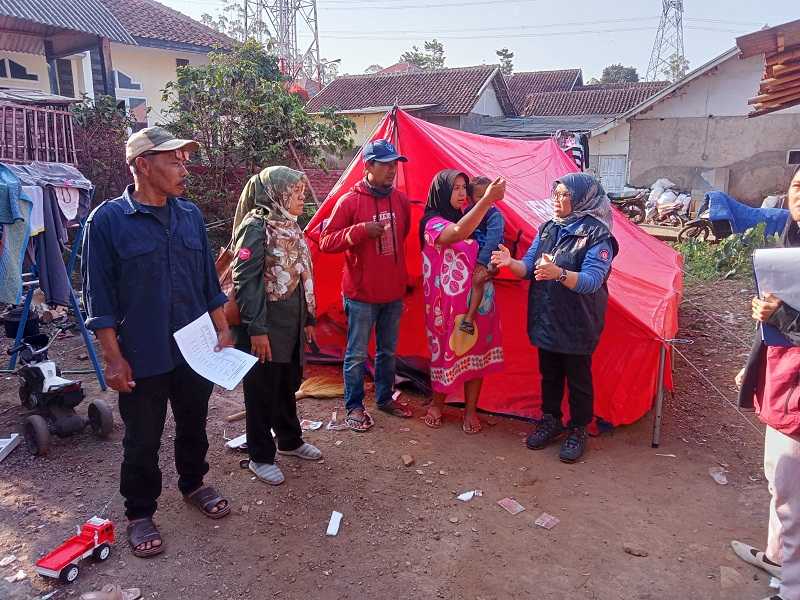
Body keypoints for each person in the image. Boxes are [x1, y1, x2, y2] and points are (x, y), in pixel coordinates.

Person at [82, 127, 232, 559]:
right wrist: (113, 359)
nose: (184, 168)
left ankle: (194, 483)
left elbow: (207, 281)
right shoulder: (108, 221)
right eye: (174, 161)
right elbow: (101, 299)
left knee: (193, 422)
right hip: (142, 351)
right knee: (143, 438)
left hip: (195, 347)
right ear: (143, 166)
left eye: (184, 160)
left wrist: (221, 327)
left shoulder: (189, 215)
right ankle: (140, 510)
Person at [492, 172, 618, 462]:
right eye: (556, 194)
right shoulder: (548, 228)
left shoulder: (598, 236)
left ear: (583, 199)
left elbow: (591, 281)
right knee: (549, 374)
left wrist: (559, 273)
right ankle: (551, 420)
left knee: (578, 379)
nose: (558, 201)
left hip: (577, 320)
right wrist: (510, 263)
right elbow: (527, 268)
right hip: (546, 314)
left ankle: (578, 429)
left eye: (565, 196)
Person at [731, 165, 800, 600]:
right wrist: (752, 360)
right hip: (782, 376)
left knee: (792, 491)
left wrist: (781, 315)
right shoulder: (790, 245)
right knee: (780, 479)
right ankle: (778, 558)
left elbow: (788, 319)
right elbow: (777, 322)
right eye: (797, 185)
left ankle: (789, 588)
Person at [230, 166, 322, 486]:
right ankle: (260, 455)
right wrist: (256, 328)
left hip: (291, 325)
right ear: (277, 194)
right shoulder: (256, 228)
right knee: (261, 391)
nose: (302, 198)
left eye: (301, 192)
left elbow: (302, 274)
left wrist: (308, 319)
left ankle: (289, 440)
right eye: (296, 193)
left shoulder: (290, 226)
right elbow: (245, 279)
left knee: (286, 384)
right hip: (266, 326)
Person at [318, 139, 413, 431]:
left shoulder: (400, 200)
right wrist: (359, 231)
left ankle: (385, 398)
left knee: (388, 351)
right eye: (385, 164)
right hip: (360, 294)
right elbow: (325, 241)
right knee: (357, 353)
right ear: (368, 166)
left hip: (392, 292)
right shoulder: (350, 200)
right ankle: (354, 406)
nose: (392, 170)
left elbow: (405, 231)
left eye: (394, 164)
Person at [420, 170, 506, 433]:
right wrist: (487, 200)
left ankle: (470, 410)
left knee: (477, 353)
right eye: (455, 188)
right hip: (444, 306)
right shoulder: (432, 222)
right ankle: (437, 405)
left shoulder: (477, 217)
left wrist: (492, 267)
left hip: (478, 301)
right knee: (443, 352)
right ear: (442, 191)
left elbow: (492, 248)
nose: (460, 193)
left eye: (462, 188)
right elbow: (457, 233)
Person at [460, 176, 505, 336]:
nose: (486, 200)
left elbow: (493, 240)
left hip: (491, 256)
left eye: (488, 195)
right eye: (480, 197)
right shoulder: (468, 212)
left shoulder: (494, 215)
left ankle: (469, 319)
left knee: (478, 281)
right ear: (471, 198)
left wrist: (482, 262)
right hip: (474, 256)